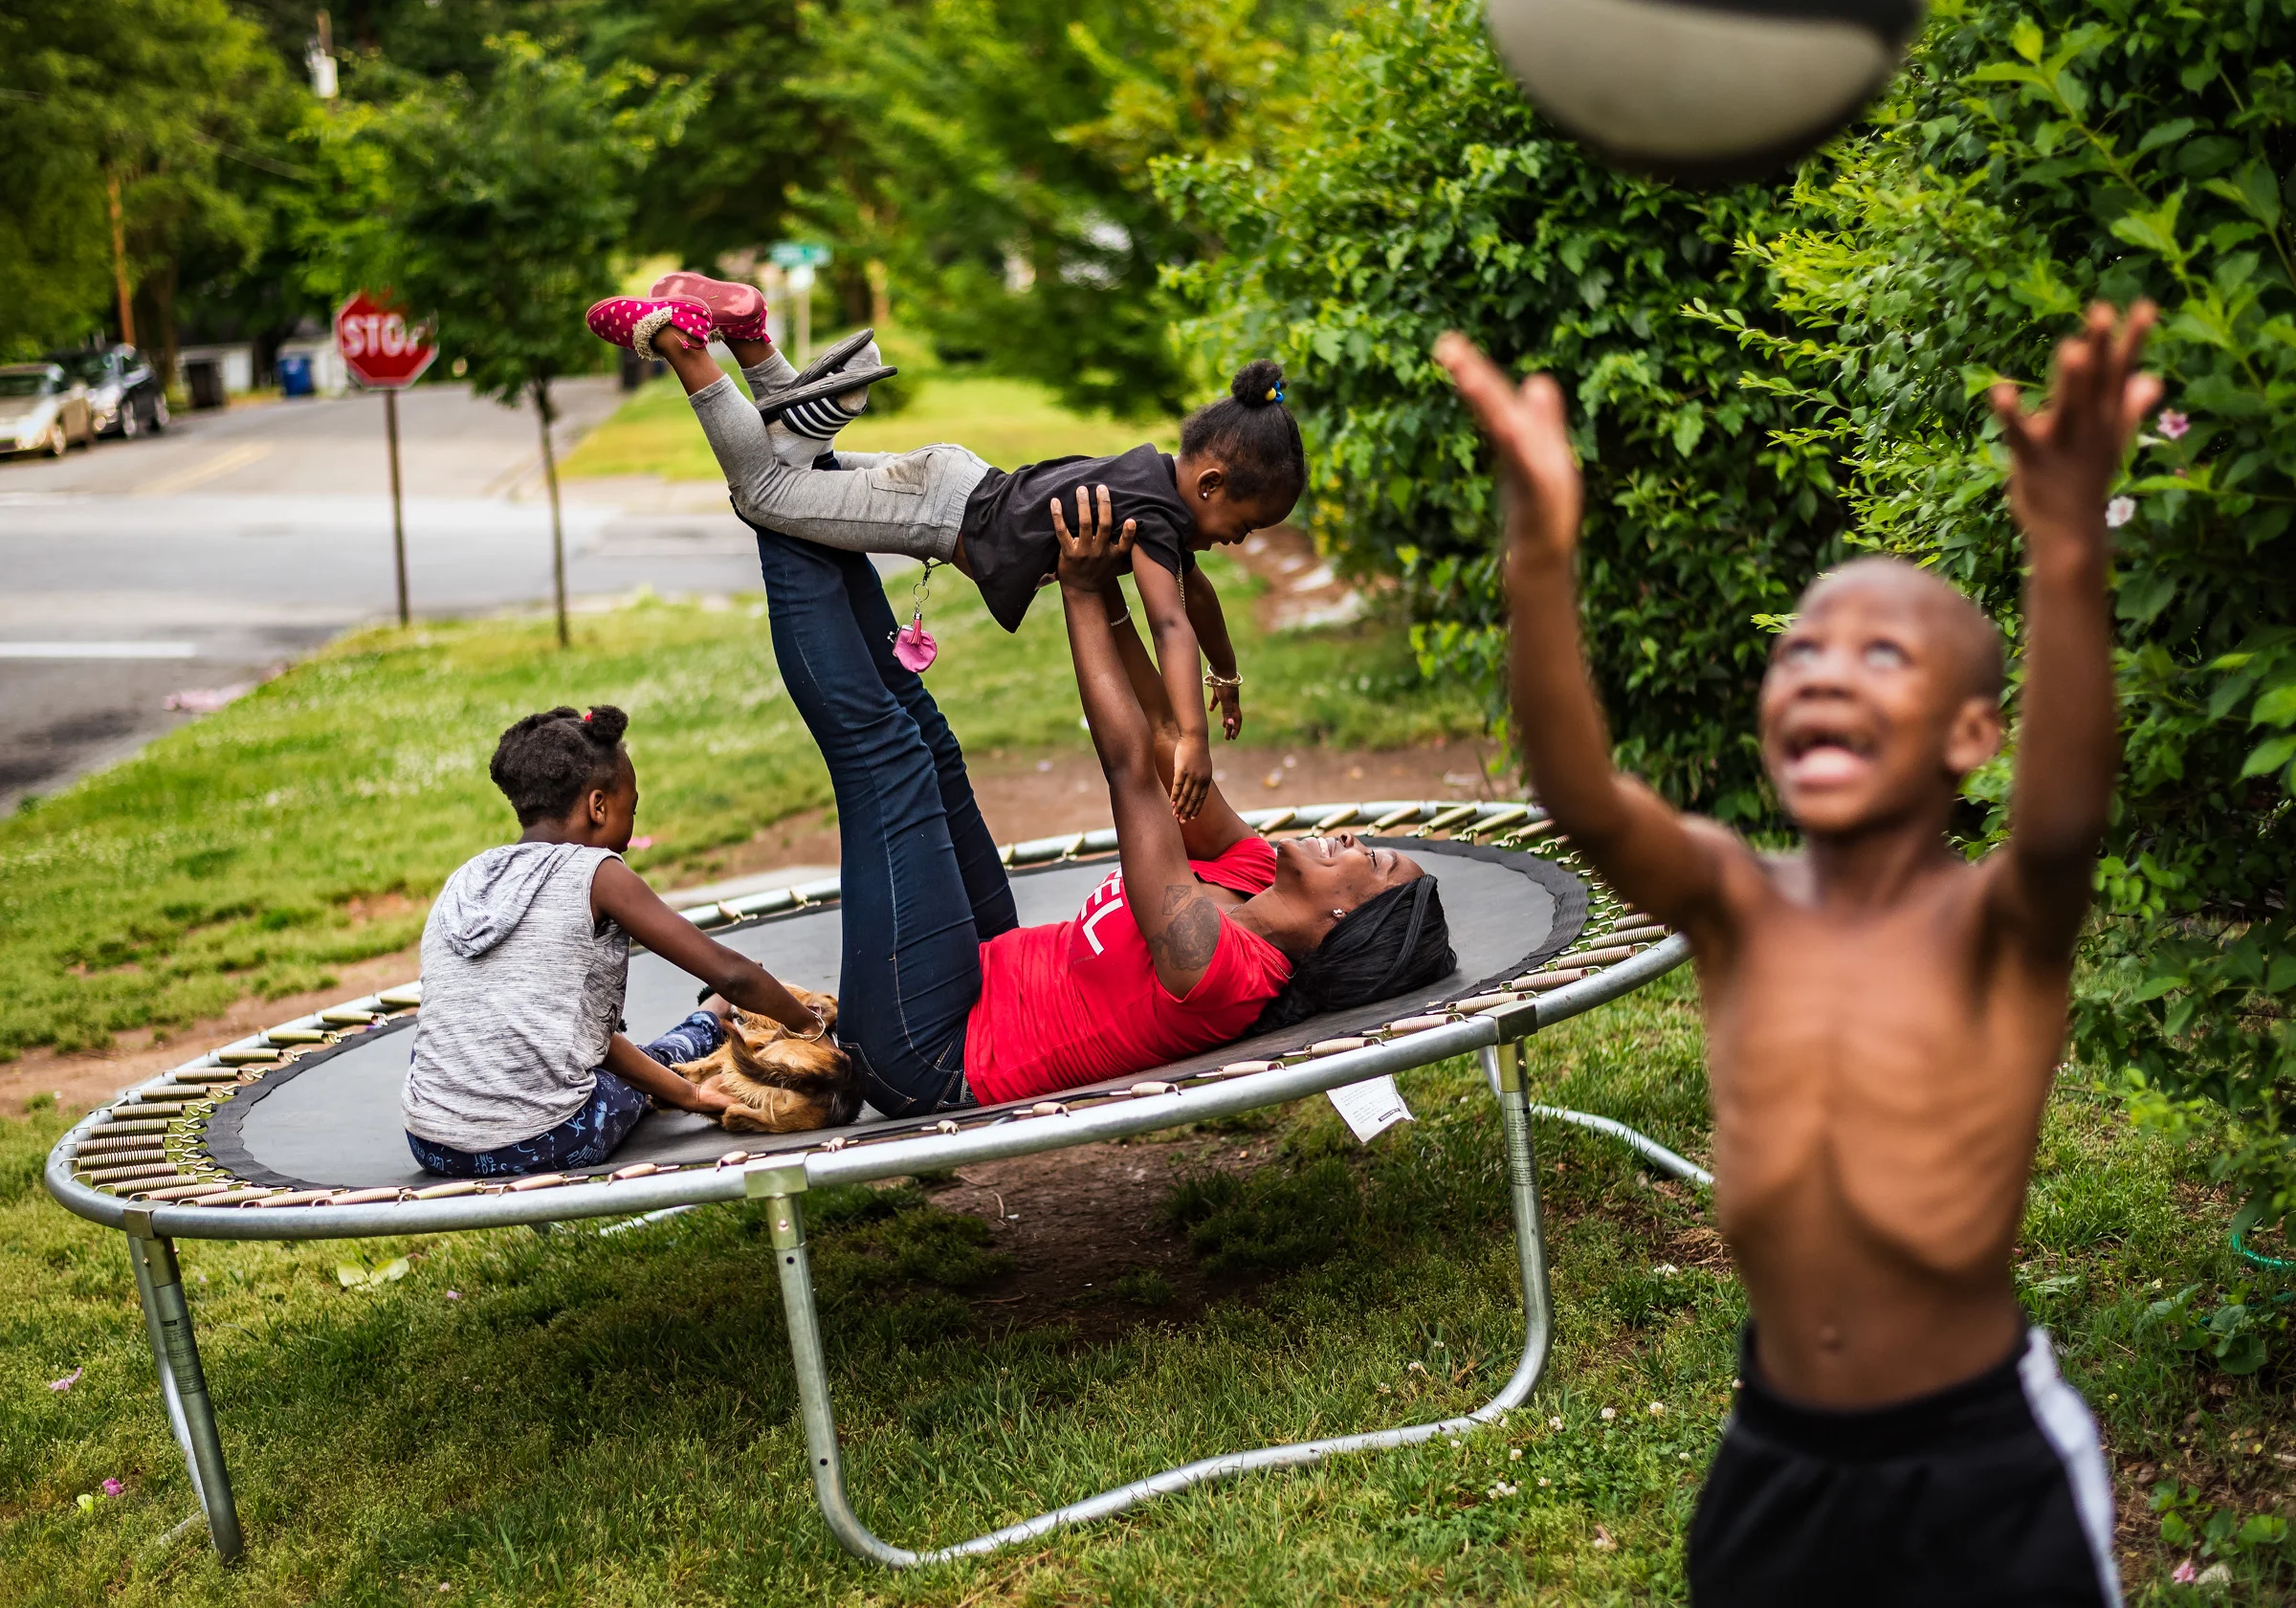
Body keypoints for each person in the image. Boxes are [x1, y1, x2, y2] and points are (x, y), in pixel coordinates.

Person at [1440, 302, 2157, 1607]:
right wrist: (1538, 558)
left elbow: (2062, 829)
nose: (1825, 672)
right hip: (1778, 1452)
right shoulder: (1736, 905)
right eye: (1802, 650)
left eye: (1884, 654)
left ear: (1969, 738)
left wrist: (2065, 558)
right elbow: (1585, 798)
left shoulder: (2000, 928)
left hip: (1980, 1462)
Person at [734, 472, 1455, 1117]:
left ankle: (771, 490)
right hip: (990, 966)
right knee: (930, 741)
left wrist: (1077, 594)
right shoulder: (1254, 869)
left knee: (891, 760)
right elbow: (1168, 743)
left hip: (933, 1049)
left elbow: (1131, 769)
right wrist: (1110, 580)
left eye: (1378, 863)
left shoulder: (1222, 973)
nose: (1360, 839)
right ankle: (815, 483)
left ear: (1345, 919)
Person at [585, 275, 1287, 815]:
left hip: (961, 476)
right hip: (935, 513)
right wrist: (1192, 737)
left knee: (798, 469)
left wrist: (1225, 676)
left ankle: (751, 337)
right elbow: (1168, 619)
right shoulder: (1160, 520)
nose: (1236, 540)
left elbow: (1194, 597)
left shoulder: (1153, 481)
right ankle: (686, 345)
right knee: (764, 494)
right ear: (1214, 482)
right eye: (1246, 524)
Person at [402, 705, 847, 1178]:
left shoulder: (465, 879)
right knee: (658, 1061)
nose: (630, 833)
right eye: (630, 811)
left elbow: (566, 1040)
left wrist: (693, 1097)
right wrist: (809, 1025)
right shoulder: (596, 875)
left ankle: (708, 1019)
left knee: (594, 1059)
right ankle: (707, 1022)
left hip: (430, 1142)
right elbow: (732, 973)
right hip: (540, 1141)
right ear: (598, 806)